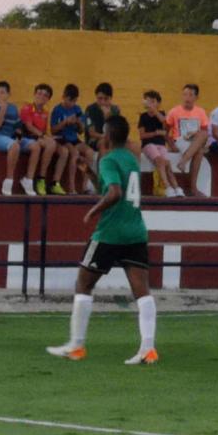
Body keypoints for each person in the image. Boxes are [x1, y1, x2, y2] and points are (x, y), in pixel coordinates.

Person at [47, 115, 159, 366]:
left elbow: (115, 193)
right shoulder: (131, 159)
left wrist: (93, 211)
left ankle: (76, 345)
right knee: (142, 291)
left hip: (110, 233)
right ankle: (148, 348)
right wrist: (91, 174)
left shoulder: (108, 159)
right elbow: (112, 187)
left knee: (83, 283)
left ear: (107, 136)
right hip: (136, 230)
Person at [0, 80, 32, 196]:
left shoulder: (13, 108)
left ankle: (28, 179)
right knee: (14, 146)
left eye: (2, 93)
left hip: (10, 138)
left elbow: (19, 127)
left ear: (8, 95)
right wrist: (3, 110)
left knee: (35, 146)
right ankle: (9, 180)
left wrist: (19, 137)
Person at [166, 84, 211, 196]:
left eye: (191, 95)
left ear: (196, 98)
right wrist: (172, 145)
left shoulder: (200, 112)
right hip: (180, 140)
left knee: (202, 141)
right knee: (199, 150)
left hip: (195, 140)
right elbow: (165, 131)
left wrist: (196, 135)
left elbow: (205, 132)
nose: (187, 98)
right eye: (185, 94)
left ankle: (184, 163)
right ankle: (193, 188)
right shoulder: (174, 111)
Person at [138, 90, 185, 198]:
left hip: (161, 144)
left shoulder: (162, 114)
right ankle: (167, 187)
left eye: (153, 101)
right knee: (160, 161)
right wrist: (155, 133)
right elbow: (142, 135)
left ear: (158, 103)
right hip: (148, 144)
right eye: (147, 101)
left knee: (167, 163)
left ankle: (176, 187)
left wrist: (155, 111)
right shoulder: (143, 117)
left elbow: (165, 123)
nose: (149, 104)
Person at [50, 84, 94, 194]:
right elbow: (53, 130)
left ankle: (84, 186)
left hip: (74, 138)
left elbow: (81, 131)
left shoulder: (77, 109)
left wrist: (78, 122)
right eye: (69, 100)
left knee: (89, 152)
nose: (71, 104)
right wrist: (65, 122)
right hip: (62, 138)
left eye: (74, 101)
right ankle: (72, 187)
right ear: (64, 97)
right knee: (74, 154)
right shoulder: (57, 110)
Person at [19, 84, 61, 195]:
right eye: (39, 93)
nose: (41, 97)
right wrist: (44, 136)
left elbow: (43, 130)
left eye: (45, 95)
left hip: (39, 137)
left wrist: (47, 136)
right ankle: (41, 179)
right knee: (51, 144)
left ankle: (55, 183)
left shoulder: (45, 113)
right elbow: (29, 127)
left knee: (64, 151)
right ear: (34, 94)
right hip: (27, 137)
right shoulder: (27, 108)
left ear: (48, 99)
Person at [84, 83, 119, 156]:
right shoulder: (90, 109)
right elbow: (92, 133)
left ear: (110, 98)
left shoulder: (115, 110)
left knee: (133, 145)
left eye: (106, 99)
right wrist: (106, 137)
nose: (103, 102)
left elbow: (117, 130)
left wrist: (108, 116)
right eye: (100, 98)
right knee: (104, 143)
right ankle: (103, 167)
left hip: (111, 138)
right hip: (94, 140)